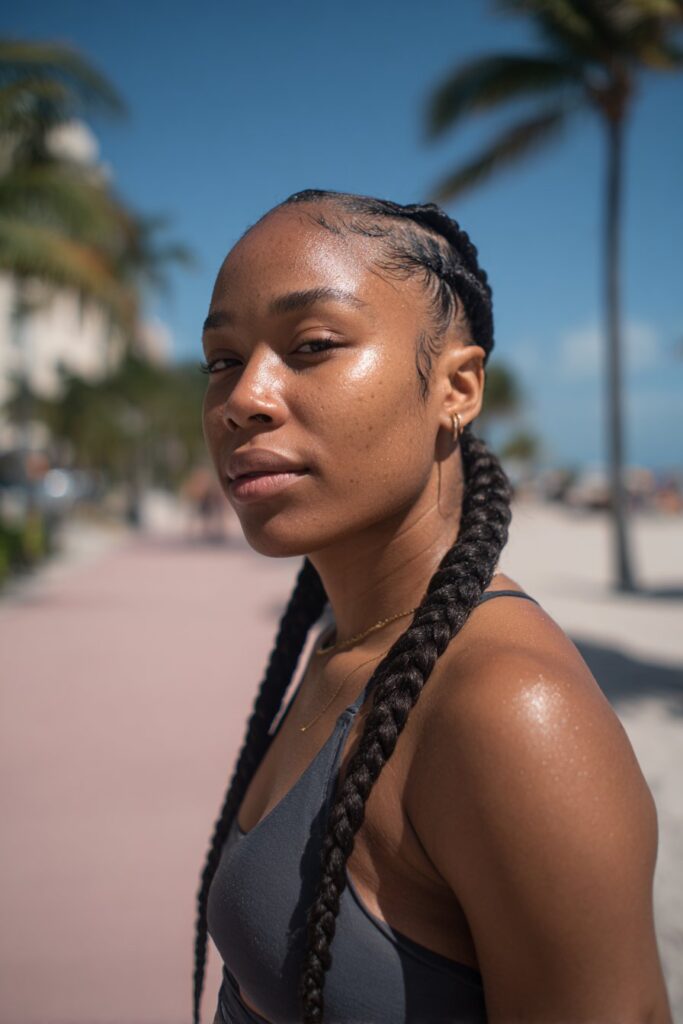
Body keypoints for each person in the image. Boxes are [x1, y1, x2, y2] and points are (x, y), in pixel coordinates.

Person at [194, 189, 672, 1024]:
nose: (245, 397)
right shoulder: (347, 644)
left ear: (457, 387)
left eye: (310, 345)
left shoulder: (511, 713)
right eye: (223, 360)